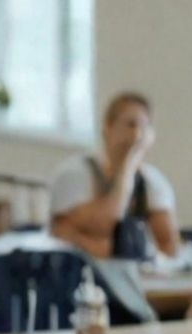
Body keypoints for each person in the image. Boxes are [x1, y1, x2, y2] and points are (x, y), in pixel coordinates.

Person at [48, 92, 182, 260]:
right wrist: (127, 167)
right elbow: (98, 226)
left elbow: (169, 247)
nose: (137, 135)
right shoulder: (74, 174)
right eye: (130, 125)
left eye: (144, 127)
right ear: (108, 128)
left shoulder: (153, 182)